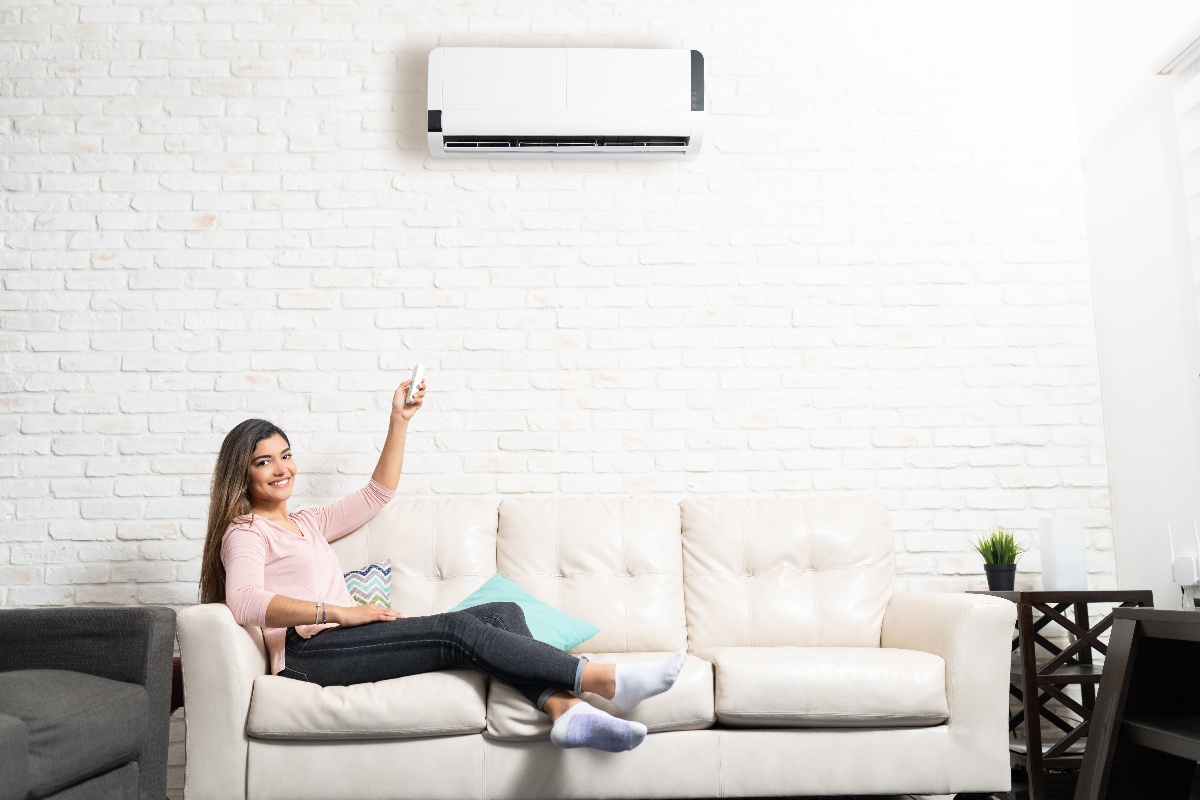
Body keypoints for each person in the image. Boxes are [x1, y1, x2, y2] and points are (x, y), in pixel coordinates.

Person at [197, 375, 686, 753]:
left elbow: (377, 493)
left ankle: (567, 711)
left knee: (501, 615)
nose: (282, 469)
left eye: (285, 455)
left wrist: (400, 421)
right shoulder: (245, 532)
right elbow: (242, 602)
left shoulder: (308, 521)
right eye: (264, 462)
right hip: (310, 657)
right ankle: (603, 680)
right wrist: (338, 612)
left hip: (347, 640)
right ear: (242, 472)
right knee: (457, 631)